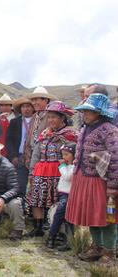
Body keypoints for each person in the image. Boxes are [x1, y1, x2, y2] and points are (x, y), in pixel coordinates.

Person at [66, 93, 118, 264]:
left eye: (89, 111)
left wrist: (113, 186)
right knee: (92, 215)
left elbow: (116, 159)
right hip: (85, 179)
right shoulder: (84, 128)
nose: (85, 114)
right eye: (84, 111)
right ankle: (97, 246)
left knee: (109, 217)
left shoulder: (110, 131)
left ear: (100, 112)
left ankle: (109, 251)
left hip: (102, 182)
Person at [26, 101, 77, 237]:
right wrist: (32, 170)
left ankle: (59, 231)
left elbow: (73, 154)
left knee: (57, 200)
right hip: (41, 169)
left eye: (54, 117)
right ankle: (38, 227)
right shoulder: (44, 133)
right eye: (49, 117)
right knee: (37, 199)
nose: (50, 120)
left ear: (62, 118)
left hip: (59, 171)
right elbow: (36, 152)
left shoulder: (69, 135)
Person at [45, 143, 75, 250]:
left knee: (61, 215)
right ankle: (57, 237)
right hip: (62, 194)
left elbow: (67, 177)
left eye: (67, 155)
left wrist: (61, 166)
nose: (64, 157)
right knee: (59, 216)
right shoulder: (68, 166)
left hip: (69, 195)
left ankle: (53, 237)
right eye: (63, 155)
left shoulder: (74, 167)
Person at [6, 98, 35, 197]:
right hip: (19, 156)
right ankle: (20, 207)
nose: (26, 109)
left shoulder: (37, 121)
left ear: (32, 108)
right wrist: (13, 156)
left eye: (28, 106)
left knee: (34, 184)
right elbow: (9, 140)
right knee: (20, 184)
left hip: (34, 156)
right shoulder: (15, 122)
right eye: (23, 107)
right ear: (20, 109)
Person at [23, 86, 57, 168]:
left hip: (45, 157)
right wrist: (27, 155)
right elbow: (29, 137)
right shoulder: (34, 116)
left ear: (45, 100)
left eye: (36, 100)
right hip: (32, 155)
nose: (34, 103)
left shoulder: (51, 116)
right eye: (33, 100)